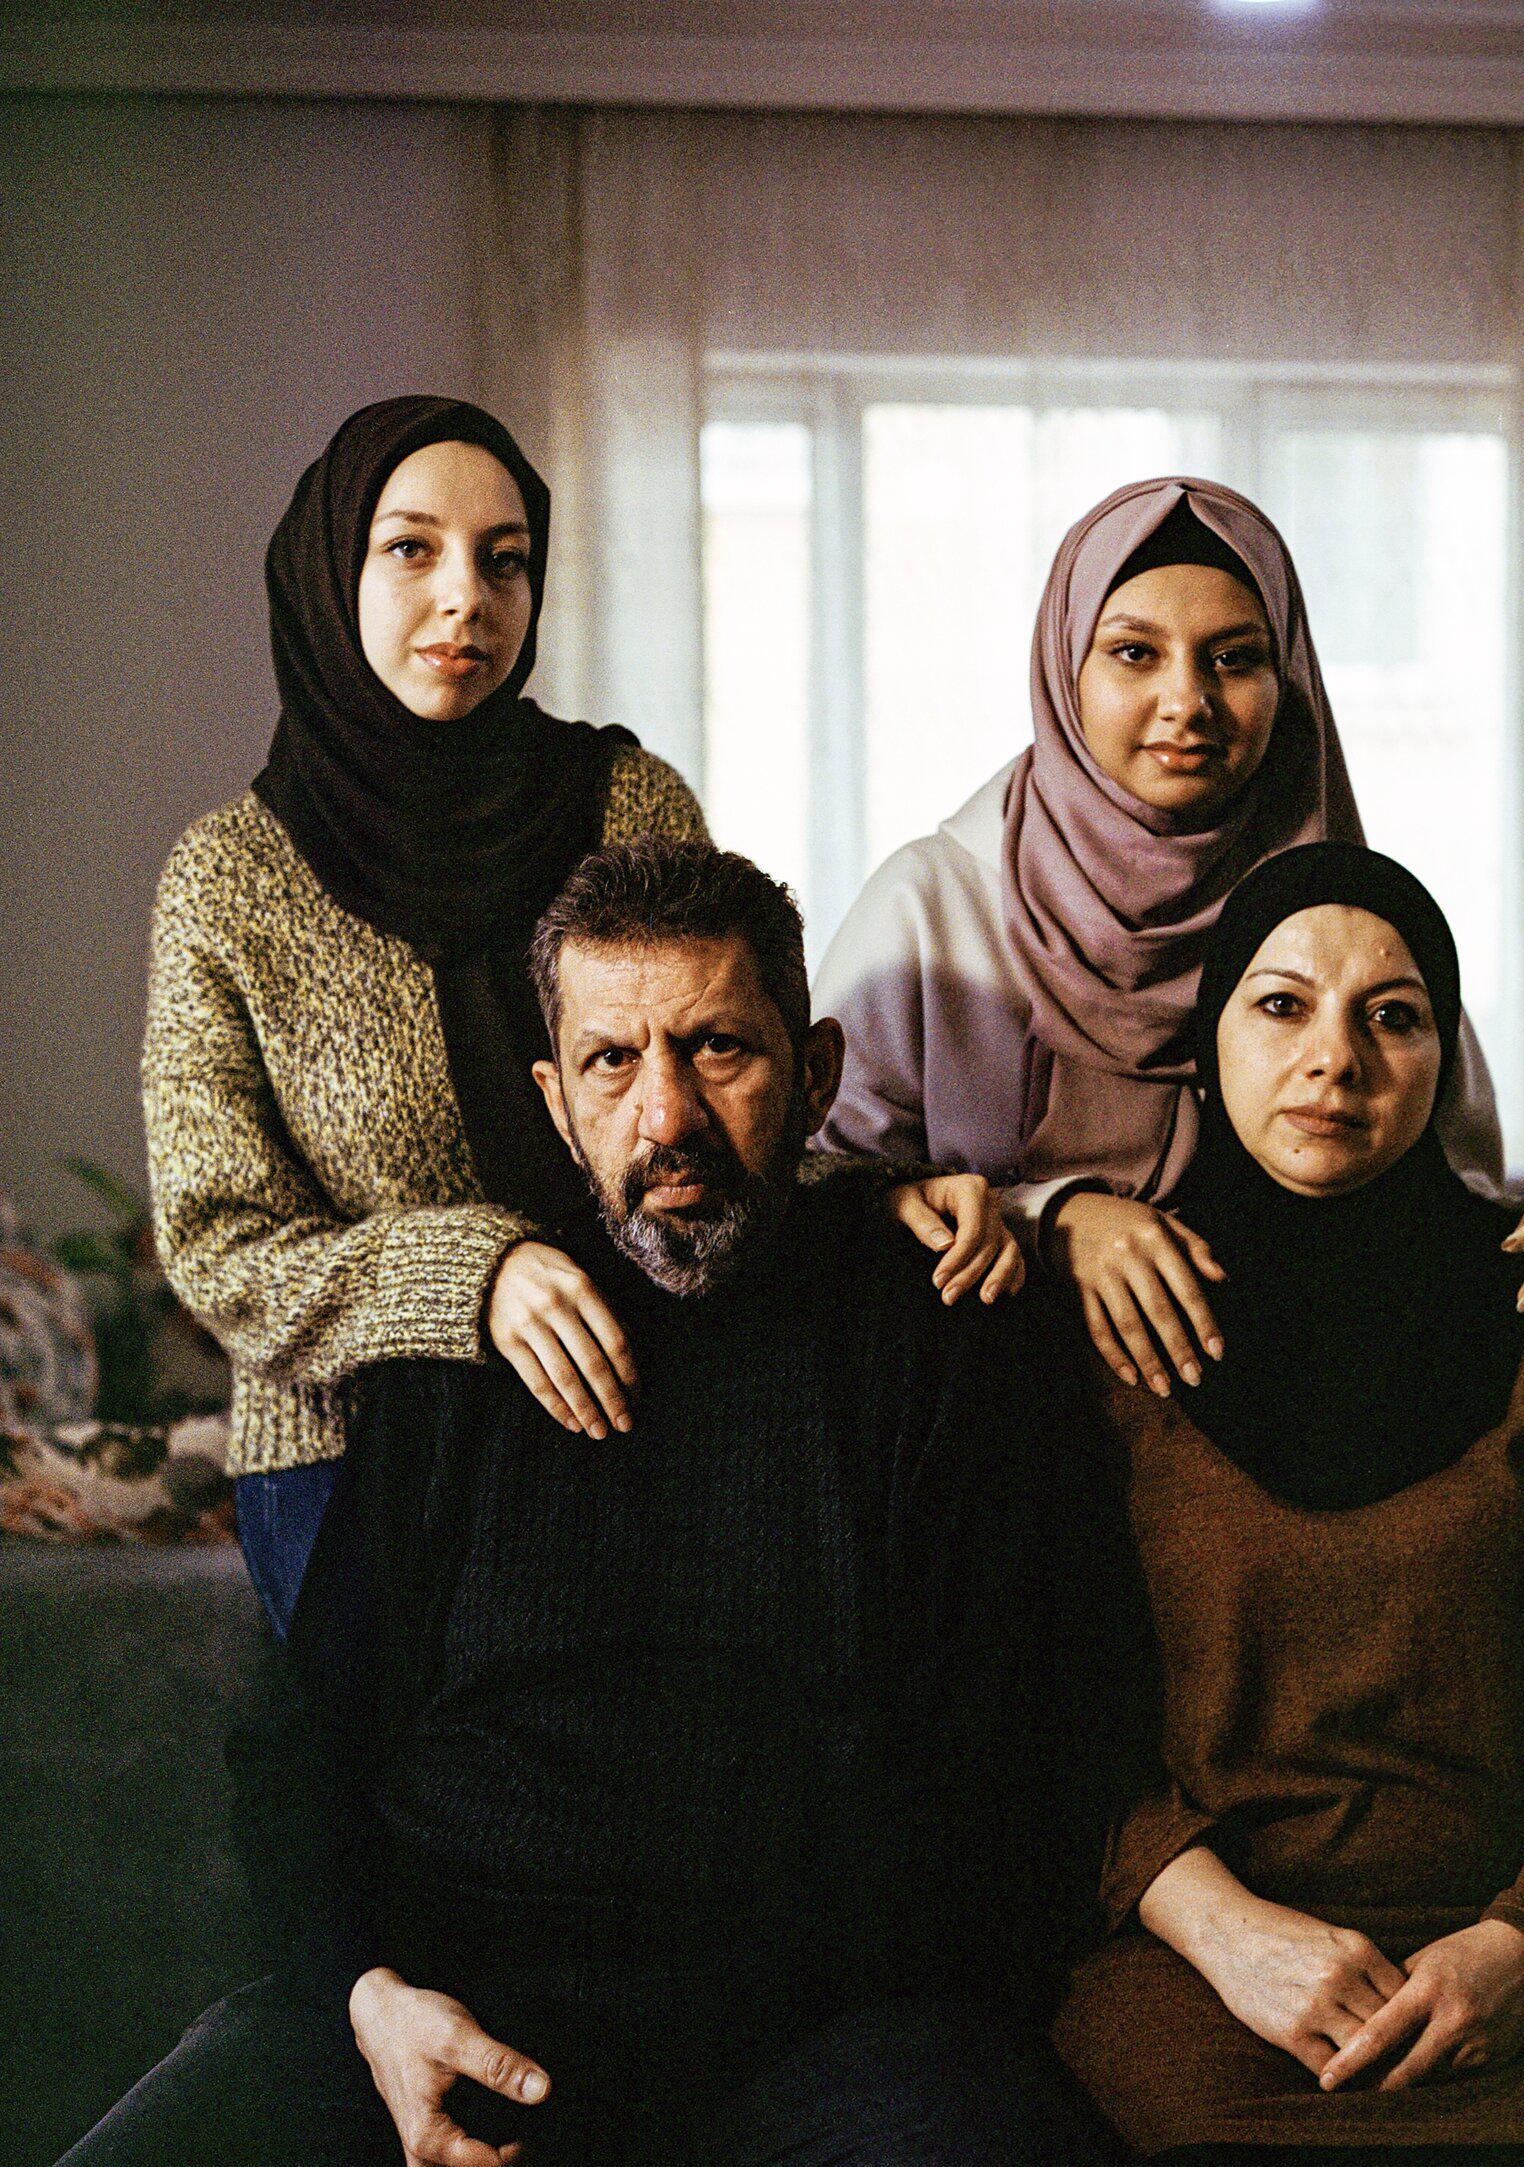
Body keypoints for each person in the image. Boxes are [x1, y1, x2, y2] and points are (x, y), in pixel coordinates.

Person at [10, 841, 1146, 2167]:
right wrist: (369, 1992)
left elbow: (1022, 1775)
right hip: (445, 2011)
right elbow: (301, 1747)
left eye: (719, 1047)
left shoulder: (942, 1335)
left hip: (825, 2042)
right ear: (555, 1101)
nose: (665, 1111)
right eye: (612, 1062)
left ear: (818, 1070)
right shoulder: (457, 1362)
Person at [144, 395, 1011, 1634]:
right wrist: (472, 1276)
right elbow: (220, 1246)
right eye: (412, 549)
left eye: (506, 561)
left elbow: (705, 1091)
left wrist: (872, 1198)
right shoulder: (229, 878)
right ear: (329, 573)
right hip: (353, 1446)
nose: (468, 598)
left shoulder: (624, 797)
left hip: (658, 1380)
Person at [1049, 842, 1524, 2167]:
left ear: (1445, 1053)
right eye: (1282, 1005)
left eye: (1394, 1013)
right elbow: (1047, 1705)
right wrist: (1229, 1933)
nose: (1336, 1060)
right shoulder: (1104, 1328)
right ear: (1206, 1041)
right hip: (1204, 1967)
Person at [813, 477, 1524, 1392]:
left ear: (1288, 678)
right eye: (1135, 653)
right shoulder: (934, 911)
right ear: (1065, 670)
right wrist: (1051, 1220)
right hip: (980, 1436)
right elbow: (813, 1206)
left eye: (1234, 659)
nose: (1189, 701)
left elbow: (1439, 1199)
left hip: (1276, 1420)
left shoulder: (1339, 912)